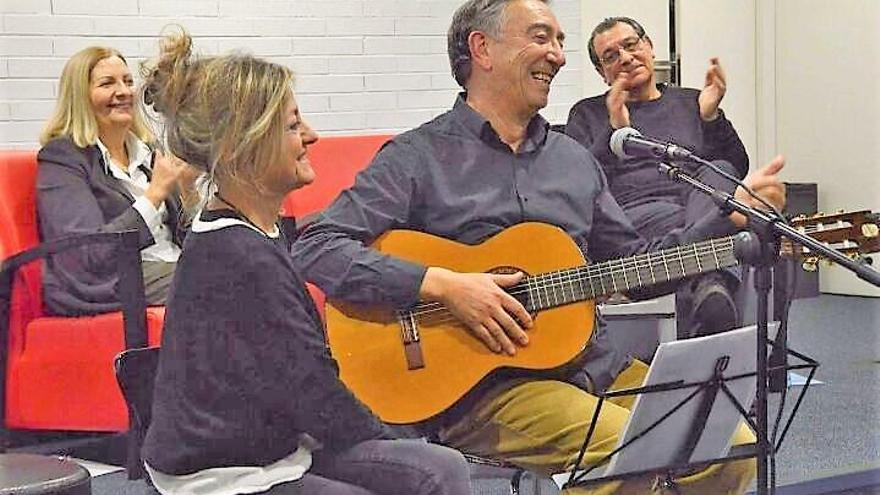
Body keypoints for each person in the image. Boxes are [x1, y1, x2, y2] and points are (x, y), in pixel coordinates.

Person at [293, 1, 785, 494]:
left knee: (732, 446)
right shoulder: (417, 157)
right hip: (487, 390)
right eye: (541, 37)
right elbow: (316, 246)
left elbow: (635, 266)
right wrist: (445, 285)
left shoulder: (573, 161)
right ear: (481, 49)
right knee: (632, 452)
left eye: (559, 42)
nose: (558, 56)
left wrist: (727, 217)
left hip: (595, 367)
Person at [139, 31, 472, 495]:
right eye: (293, 125)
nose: (312, 135)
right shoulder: (239, 255)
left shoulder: (252, 234)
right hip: (225, 472)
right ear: (242, 146)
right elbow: (313, 392)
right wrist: (391, 437)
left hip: (274, 447)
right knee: (428, 469)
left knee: (440, 467)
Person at [566, 16, 750, 338]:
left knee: (720, 168)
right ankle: (711, 283)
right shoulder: (587, 114)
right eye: (610, 56)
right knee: (712, 219)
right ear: (601, 73)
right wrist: (614, 128)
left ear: (649, 47)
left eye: (631, 45)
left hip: (696, 202)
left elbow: (735, 166)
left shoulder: (690, 100)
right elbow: (577, 184)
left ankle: (708, 284)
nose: (625, 57)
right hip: (637, 216)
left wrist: (711, 117)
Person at [37, 46, 199, 316]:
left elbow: (182, 236)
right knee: (222, 278)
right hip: (113, 280)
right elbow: (88, 254)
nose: (124, 92)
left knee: (247, 264)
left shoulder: (147, 150)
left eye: (128, 81)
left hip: (170, 264)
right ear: (80, 97)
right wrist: (154, 195)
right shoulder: (63, 159)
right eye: (107, 83)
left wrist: (189, 191)